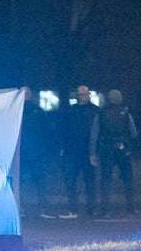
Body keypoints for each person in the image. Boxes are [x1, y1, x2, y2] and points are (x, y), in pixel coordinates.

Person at [91, 89, 139, 216]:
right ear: (120, 98)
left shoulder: (101, 114)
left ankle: (104, 210)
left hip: (106, 149)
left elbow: (94, 134)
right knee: (127, 179)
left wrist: (93, 152)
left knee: (106, 179)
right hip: (123, 149)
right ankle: (130, 209)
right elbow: (134, 133)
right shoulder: (126, 113)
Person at [55, 85, 98, 219]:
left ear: (89, 95)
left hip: (88, 151)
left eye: (85, 94)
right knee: (70, 181)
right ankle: (73, 209)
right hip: (72, 151)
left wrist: (95, 151)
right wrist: (64, 147)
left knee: (90, 181)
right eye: (80, 94)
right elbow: (64, 130)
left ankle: (91, 209)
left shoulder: (95, 111)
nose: (82, 97)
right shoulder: (71, 110)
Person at [18, 87, 55, 219]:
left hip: (33, 151)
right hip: (23, 152)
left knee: (38, 180)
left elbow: (46, 131)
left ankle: (42, 207)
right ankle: (22, 207)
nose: (26, 96)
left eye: (27, 93)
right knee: (23, 181)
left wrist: (47, 149)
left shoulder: (36, 111)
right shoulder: (20, 110)